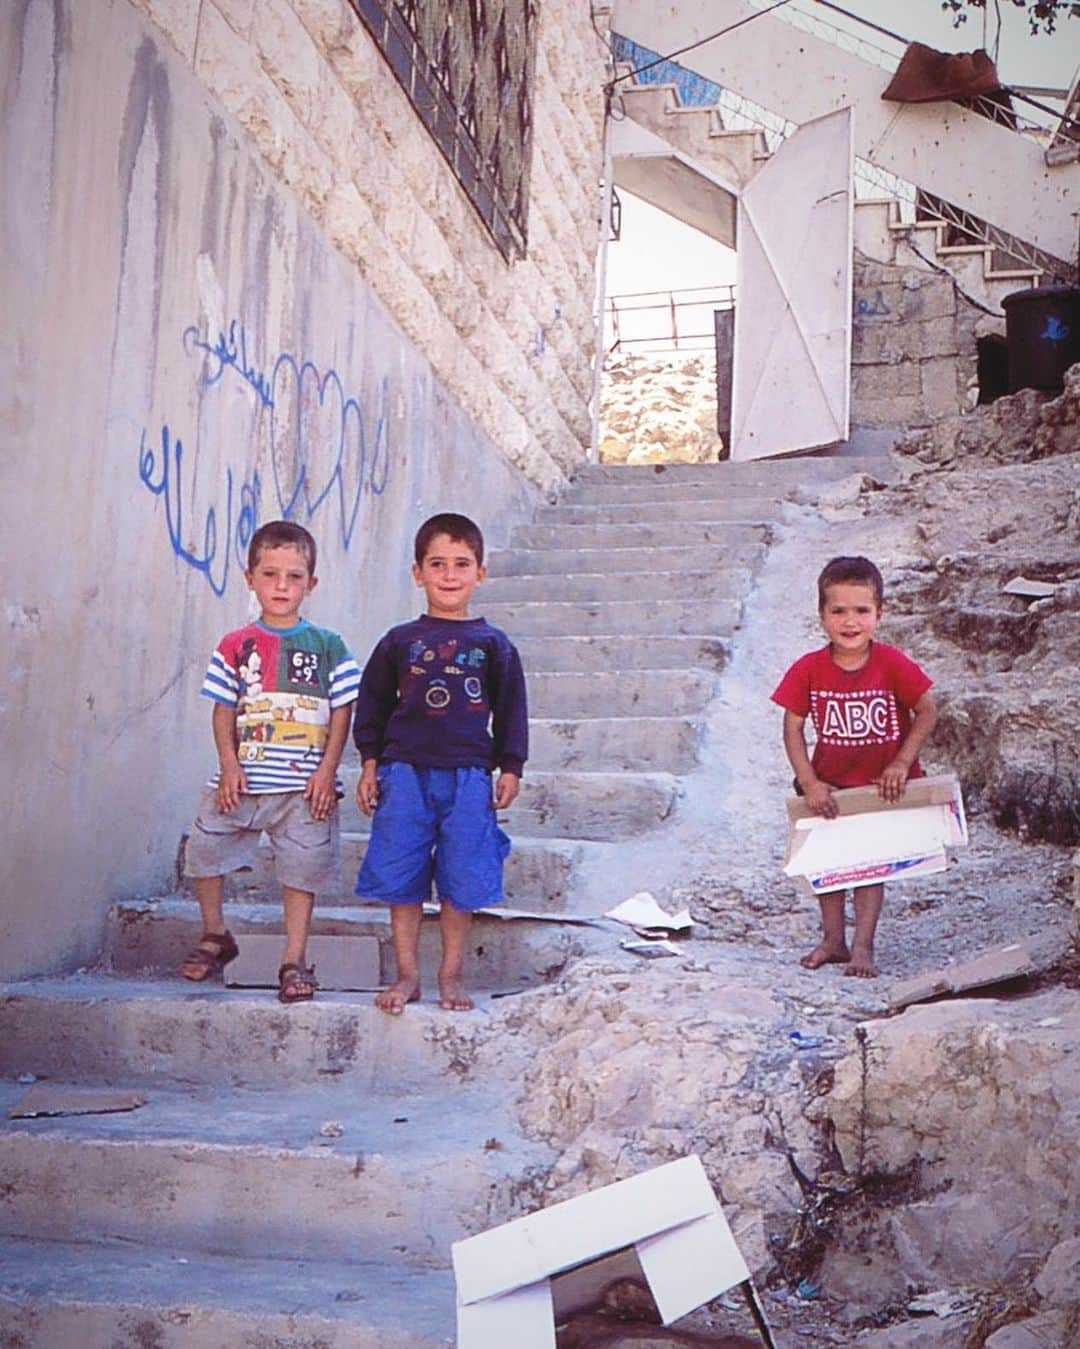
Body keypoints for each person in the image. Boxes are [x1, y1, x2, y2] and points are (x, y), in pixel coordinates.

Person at [353, 512, 527, 1014]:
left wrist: (510, 765)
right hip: (403, 773)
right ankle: (408, 975)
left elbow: (513, 708)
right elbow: (373, 707)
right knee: (402, 873)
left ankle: (450, 975)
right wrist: (370, 764)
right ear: (417, 573)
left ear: (481, 573)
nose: (449, 575)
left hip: (470, 776)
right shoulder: (398, 642)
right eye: (437, 564)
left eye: (461, 564)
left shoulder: (494, 644)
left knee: (461, 876)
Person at [180, 520, 360, 1003]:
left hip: (304, 788)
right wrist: (229, 763)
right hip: (244, 779)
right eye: (270, 574)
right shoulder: (234, 645)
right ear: (250, 578)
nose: (282, 586)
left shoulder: (329, 645)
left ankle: (293, 960)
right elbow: (223, 709)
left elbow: (343, 709)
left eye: (294, 576)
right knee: (203, 847)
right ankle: (215, 933)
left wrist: (327, 770)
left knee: (302, 869)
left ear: (312, 583)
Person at [771, 556, 937, 978]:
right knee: (828, 863)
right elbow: (792, 727)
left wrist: (902, 763)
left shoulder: (891, 663)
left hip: (877, 788)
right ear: (822, 615)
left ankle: (863, 946)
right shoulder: (808, 668)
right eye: (838, 610)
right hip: (829, 784)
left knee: (867, 867)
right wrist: (809, 782)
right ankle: (833, 940)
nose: (850, 621)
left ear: (879, 615)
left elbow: (927, 709)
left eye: (861, 610)